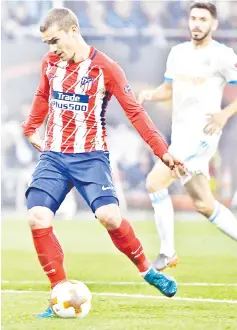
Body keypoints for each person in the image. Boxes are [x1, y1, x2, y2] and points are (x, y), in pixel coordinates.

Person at [22, 7, 185, 318]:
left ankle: (146, 270)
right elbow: (42, 96)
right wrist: (31, 127)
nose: (52, 48)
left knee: (109, 216)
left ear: (73, 30)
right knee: (37, 217)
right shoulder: (50, 63)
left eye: (55, 40)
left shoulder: (106, 68)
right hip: (54, 156)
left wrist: (161, 150)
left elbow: (135, 112)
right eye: (47, 44)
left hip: (91, 156)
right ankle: (59, 293)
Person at [138, 1, 237, 271]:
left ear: (214, 24)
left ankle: (167, 252)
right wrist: (150, 94)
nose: (197, 24)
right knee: (204, 204)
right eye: (193, 18)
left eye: (203, 19)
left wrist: (223, 114)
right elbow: (168, 89)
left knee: (155, 182)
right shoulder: (177, 52)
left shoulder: (222, 55)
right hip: (180, 136)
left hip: (202, 136)